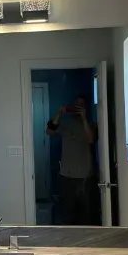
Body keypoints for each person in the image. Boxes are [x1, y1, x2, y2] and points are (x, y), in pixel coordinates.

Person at [45, 95, 99, 225]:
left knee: (86, 211)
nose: (78, 108)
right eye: (76, 105)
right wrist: (59, 113)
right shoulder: (65, 123)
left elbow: (91, 139)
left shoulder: (91, 124)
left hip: (85, 175)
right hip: (66, 175)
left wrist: (84, 118)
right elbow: (49, 131)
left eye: (81, 106)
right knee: (67, 210)